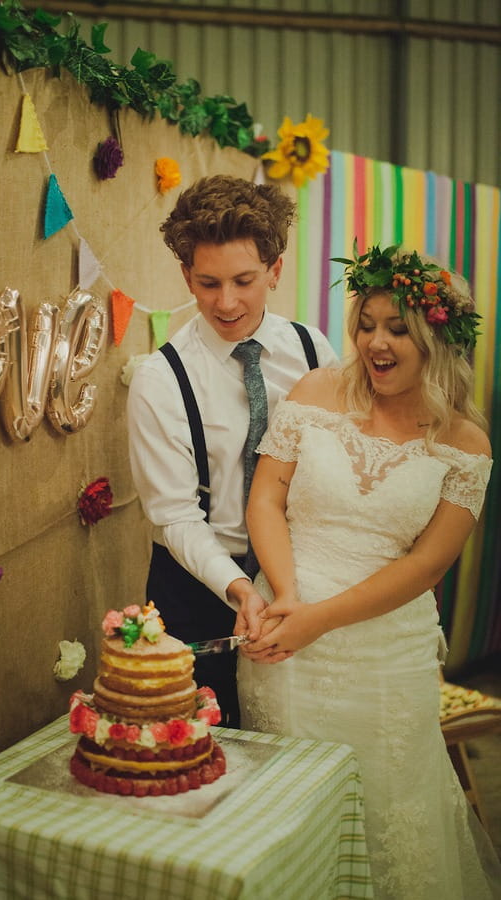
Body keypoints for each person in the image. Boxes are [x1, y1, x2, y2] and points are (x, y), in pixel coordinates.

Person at [236, 243, 500, 898]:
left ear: (436, 336)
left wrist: (319, 619)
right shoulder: (317, 390)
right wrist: (290, 598)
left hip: (385, 660)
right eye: (367, 323)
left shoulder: (466, 442)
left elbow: (423, 567)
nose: (375, 342)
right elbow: (266, 497)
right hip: (282, 642)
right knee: (289, 811)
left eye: (397, 328)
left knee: (389, 805)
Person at [127, 175, 338, 726]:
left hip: (306, 579)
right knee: (205, 755)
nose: (226, 302)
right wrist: (240, 588)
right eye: (208, 282)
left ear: (275, 269)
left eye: (244, 280)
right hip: (200, 590)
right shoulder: (160, 378)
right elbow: (173, 515)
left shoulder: (316, 351)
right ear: (185, 276)